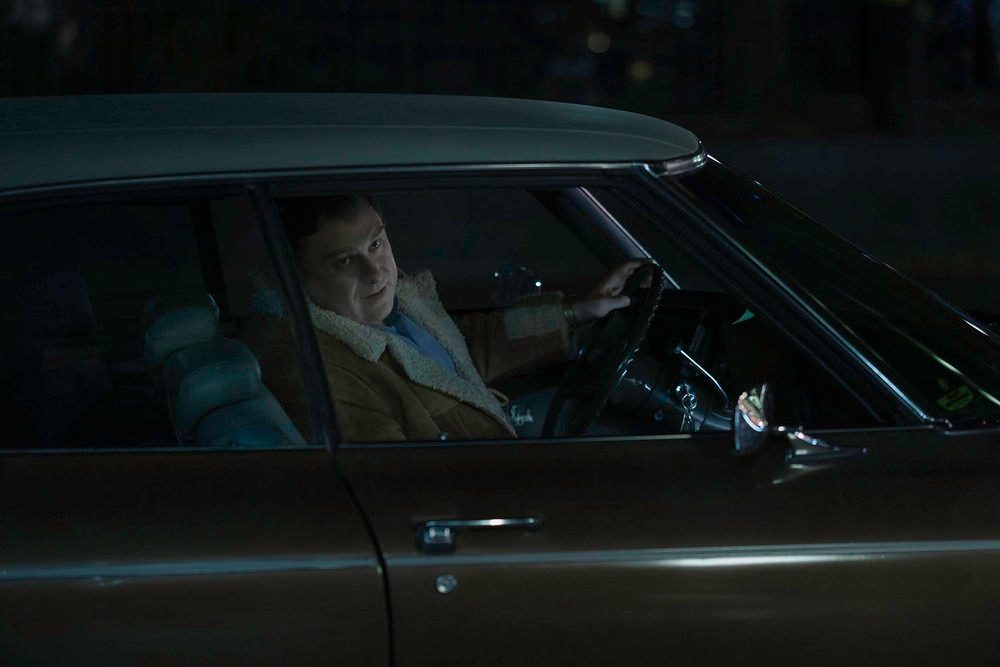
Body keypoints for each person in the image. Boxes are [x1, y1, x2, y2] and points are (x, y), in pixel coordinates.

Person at [246, 193, 648, 443]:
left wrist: (576, 311)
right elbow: (390, 485)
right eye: (344, 262)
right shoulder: (320, 371)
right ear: (295, 280)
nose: (375, 273)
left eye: (376, 243)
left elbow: (460, 349)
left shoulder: (396, 305)